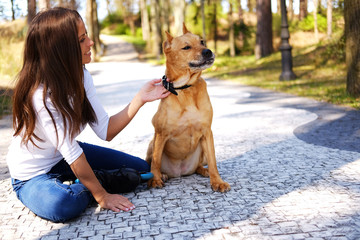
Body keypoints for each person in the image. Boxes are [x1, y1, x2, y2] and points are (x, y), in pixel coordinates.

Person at [6, 7, 170, 223]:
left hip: (62, 159)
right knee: (62, 205)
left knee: (141, 169)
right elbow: (73, 153)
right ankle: (91, 183)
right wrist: (102, 195)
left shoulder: (81, 75)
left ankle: (87, 180)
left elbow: (106, 130)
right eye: (82, 39)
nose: (91, 42)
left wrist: (140, 98)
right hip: (31, 176)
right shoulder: (40, 96)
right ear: (62, 50)